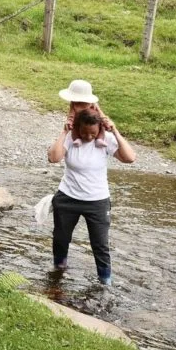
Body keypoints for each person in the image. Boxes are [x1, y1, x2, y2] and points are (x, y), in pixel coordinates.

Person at [47, 100, 136, 286]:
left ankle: (105, 282)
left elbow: (129, 158)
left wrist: (115, 132)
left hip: (97, 201)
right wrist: (64, 132)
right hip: (67, 198)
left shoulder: (105, 142)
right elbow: (53, 158)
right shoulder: (71, 138)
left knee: (100, 245)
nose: (88, 137)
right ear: (77, 128)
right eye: (84, 132)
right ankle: (58, 273)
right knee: (60, 239)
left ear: (99, 130)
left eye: (93, 133)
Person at [59, 78, 112, 147]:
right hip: (79, 123)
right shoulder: (73, 104)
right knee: (74, 128)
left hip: (93, 122)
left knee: (101, 127)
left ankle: (99, 139)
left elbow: (100, 113)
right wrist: (70, 121)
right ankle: (77, 139)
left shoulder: (92, 103)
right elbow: (71, 114)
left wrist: (105, 121)